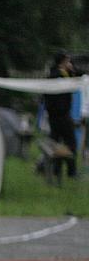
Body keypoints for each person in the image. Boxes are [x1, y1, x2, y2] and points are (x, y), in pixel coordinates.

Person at [44, 51, 81, 179]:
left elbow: (72, 83)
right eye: (68, 61)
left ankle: (55, 169)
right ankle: (71, 171)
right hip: (60, 115)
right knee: (70, 143)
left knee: (56, 142)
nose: (69, 64)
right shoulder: (56, 75)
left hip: (59, 115)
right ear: (62, 62)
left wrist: (71, 71)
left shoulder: (61, 74)